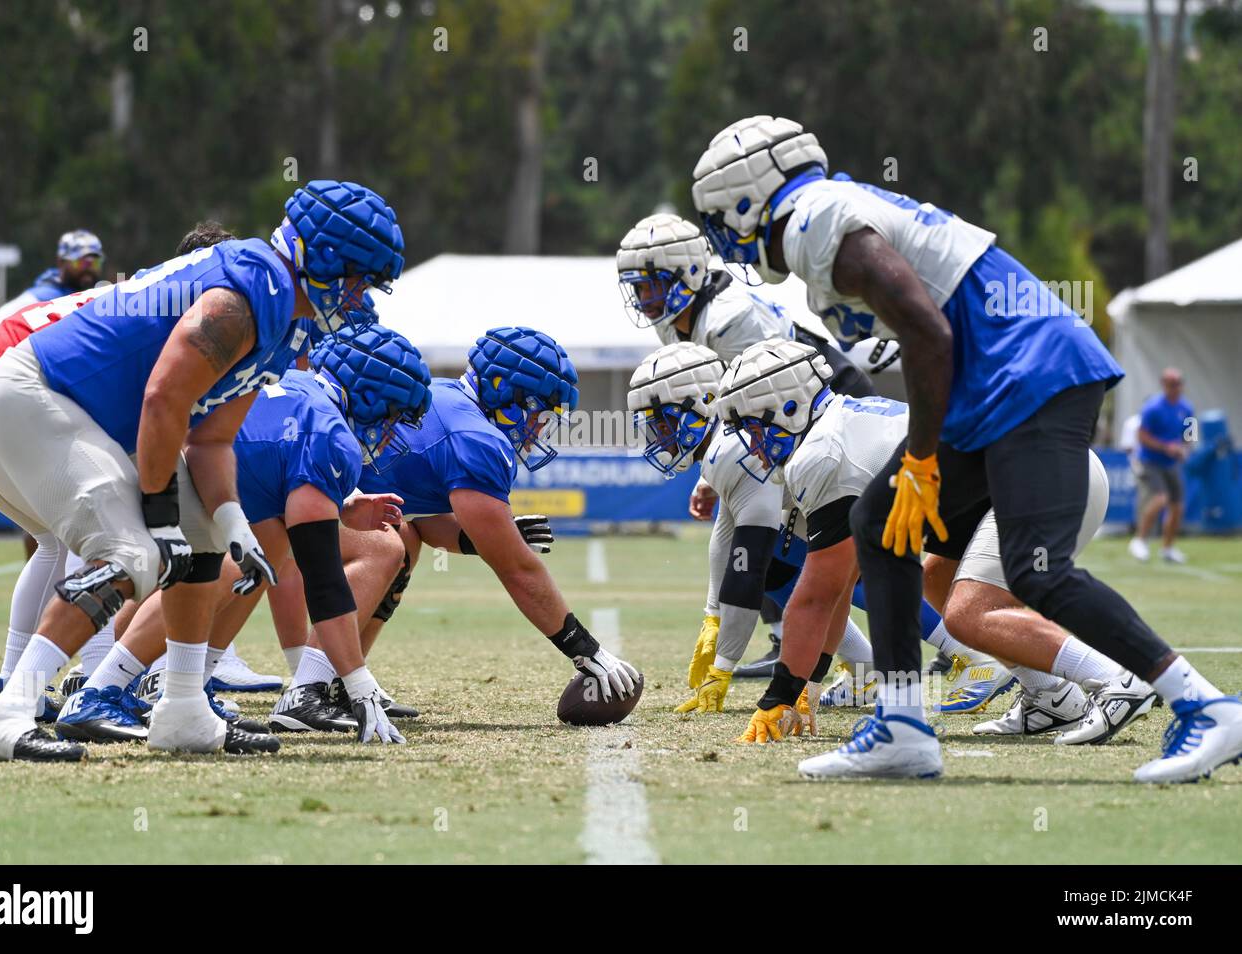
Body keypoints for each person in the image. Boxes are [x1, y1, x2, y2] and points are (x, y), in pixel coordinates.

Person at [692, 116, 1240, 783]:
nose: (725, 237)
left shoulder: (813, 221)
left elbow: (929, 334)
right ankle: (901, 727)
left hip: (1027, 369)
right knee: (879, 524)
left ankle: (1207, 706)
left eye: (720, 218)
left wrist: (922, 457)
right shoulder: (834, 209)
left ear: (745, 197)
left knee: (1035, 572)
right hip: (992, 379)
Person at [0, 179, 404, 762]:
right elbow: (163, 398)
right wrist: (158, 514)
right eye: (357, 279)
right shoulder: (243, 299)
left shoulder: (286, 319)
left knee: (204, 537)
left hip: (101, 413)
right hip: (41, 392)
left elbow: (211, 438)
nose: (359, 295)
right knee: (131, 553)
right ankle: (8, 710)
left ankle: (183, 707)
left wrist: (231, 520)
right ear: (321, 260)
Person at [714, 340, 1154, 750]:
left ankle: (1116, 678)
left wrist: (779, 695)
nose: (753, 446)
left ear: (789, 408)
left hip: (1043, 475)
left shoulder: (822, 453)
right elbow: (839, 590)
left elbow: (816, 597)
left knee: (969, 612)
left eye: (753, 428)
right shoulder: (838, 424)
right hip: (1028, 475)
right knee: (936, 582)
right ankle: (1052, 696)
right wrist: (806, 683)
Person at [55, 323, 429, 748]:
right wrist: (359, 687)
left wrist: (343, 506)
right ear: (370, 398)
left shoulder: (300, 385)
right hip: (160, 457)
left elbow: (274, 468)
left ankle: (185, 688)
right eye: (393, 416)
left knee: (262, 552)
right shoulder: (329, 435)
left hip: (146, 444)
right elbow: (324, 580)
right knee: (212, 568)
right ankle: (99, 690)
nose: (391, 431)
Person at [618, 212, 879, 678]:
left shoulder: (730, 319)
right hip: (779, 422)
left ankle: (948, 643)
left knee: (822, 552)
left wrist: (716, 471)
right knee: (778, 552)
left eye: (652, 286)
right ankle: (842, 656)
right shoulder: (680, 318)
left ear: (688, 272)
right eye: (638, 289)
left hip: (824, 407)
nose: (644, 299)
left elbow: (765, 396)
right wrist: (711, 475)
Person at [354, 326, 642, 707]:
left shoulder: (447, 396)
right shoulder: (478, 439)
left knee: (401, 536)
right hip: (310, 505)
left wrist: (487, 536)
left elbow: (421, 522)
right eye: (538, 412)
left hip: (315, 499)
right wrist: (586, 650)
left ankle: (345, 676)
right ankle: (314, 683)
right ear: (502, 390)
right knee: (386, 545)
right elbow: (518, 570)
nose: (539, 427)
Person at [1129, 368, 1193, 564]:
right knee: (1160, 499)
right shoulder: (1152, 408)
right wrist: (1166, 447)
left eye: (1179, 383)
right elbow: (1141, 436)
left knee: (1178, 507)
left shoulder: (1187, 408)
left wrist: (1184, 450)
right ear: (1164, 385)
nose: (1176, 387)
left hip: (1171, 464)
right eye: (1172, 384)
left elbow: (1190, 436)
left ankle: (1167, 548)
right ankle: (1140, 540)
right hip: (1150, 461)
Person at [0, 230, 105, 328]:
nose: (90, 269)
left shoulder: (93, 296)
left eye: (95, 263)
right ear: (61, 262)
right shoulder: (42, 296)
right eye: (82, 262)